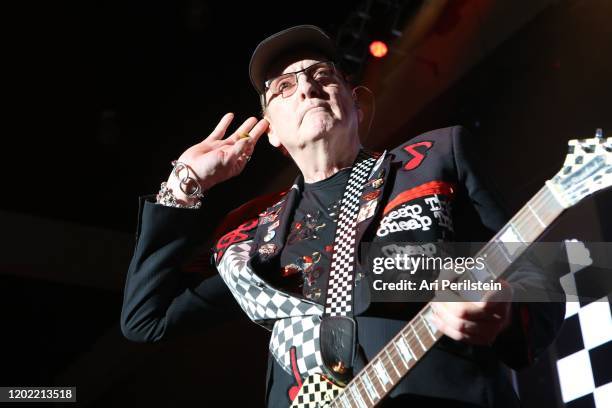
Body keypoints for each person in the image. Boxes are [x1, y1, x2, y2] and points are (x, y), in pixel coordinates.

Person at [121, 25, 565, 407]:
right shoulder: (251, 237)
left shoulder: (436, 158)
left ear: (355, 102)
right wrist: (184, 183)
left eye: (321, 75)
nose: (307, 88)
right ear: (270, 131)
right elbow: (147, 320)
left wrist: (501, 306)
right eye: (283, 88)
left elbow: (538, 277)